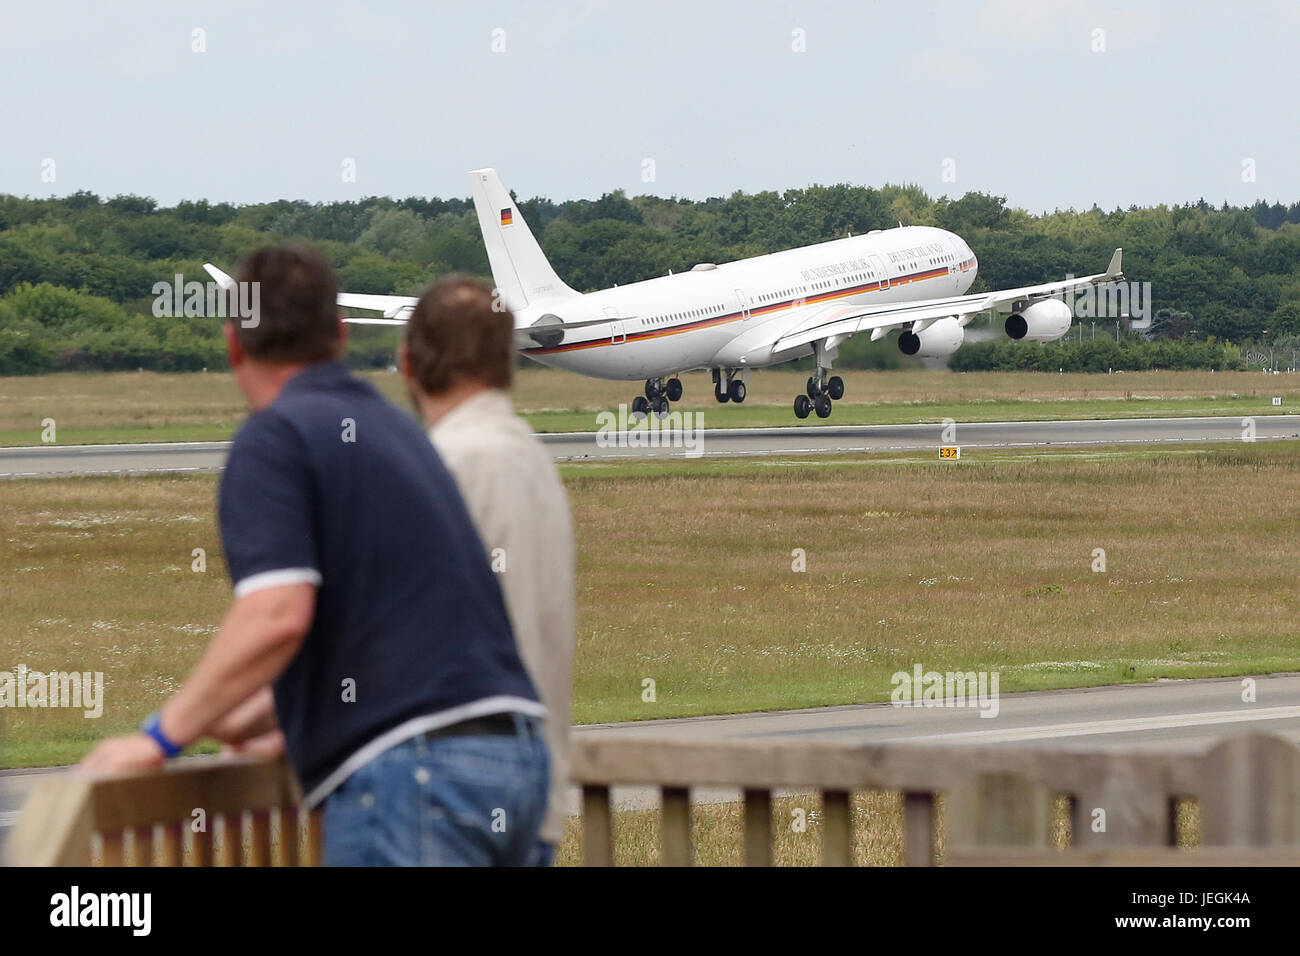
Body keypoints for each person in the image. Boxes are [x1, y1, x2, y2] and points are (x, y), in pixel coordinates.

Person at [80, 246, 549, 867]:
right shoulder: (398, 433)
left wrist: (160, 738)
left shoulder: (277, 436)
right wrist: (275, 712)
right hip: (514, 760)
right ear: (341, 335)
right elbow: (398, 626)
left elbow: (277, 615)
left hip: (412, 780)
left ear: (233, 345)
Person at [399, 275, 575, 867]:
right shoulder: (533, 459)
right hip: (536, 771)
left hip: (450, 773)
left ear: (407, 361)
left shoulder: (444, 463)